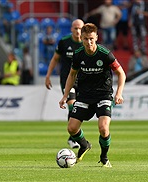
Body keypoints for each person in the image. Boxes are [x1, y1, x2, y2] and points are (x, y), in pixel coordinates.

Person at [59, 23, 126, 167]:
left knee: (103, 128)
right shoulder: (78, 54)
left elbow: (121, 73)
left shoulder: (105, 54)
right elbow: (72, 75)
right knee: (71, 128)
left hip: (103, 95)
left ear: (96, 37)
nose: (88, 42)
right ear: (81, 38)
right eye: (85, 39)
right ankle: (84, 145)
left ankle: (104, 156)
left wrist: (119, 94)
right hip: (84, 96)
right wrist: (65, 95)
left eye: (91, 39)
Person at [45, 19, 85, 149]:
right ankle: (73, 138)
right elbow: (55, 59)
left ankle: (73, 135)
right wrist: (48, 76)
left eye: (80, 28)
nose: (78, 31)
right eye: (75, 28)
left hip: (83, 80)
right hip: (67, 80)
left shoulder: (87, 43)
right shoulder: (64, 42)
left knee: (81, 109)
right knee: (71, 106)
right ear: (71, 29)